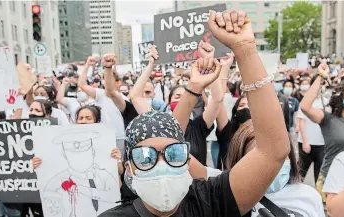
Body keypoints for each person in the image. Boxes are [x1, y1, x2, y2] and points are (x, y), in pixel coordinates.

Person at [100, 10, 290, 217]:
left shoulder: (211, 201)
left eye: (174, 153)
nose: (162, 164)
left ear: (187, 158)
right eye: (146, 157)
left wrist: (245, 50)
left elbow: (272, 151)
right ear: (129, 168)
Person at [189, 120, 325, 216]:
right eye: (263, 160)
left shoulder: (310, 196)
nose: (274, 166)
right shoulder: (224, 190)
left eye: (281, 157)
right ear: (241, 161)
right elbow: (179, 155)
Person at [301, 65, 344, 201]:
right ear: (341, 95)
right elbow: (305, 107)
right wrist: (320, 77)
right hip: (331, 180)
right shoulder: (328, 119)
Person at [297, 76, 326, 183]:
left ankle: (318, 196)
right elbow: (301, 123)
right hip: (306, 142)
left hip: (321, 143)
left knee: (319, 174)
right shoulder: (306, 102)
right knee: (301, 172)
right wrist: (305, 142)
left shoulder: (325, 102)